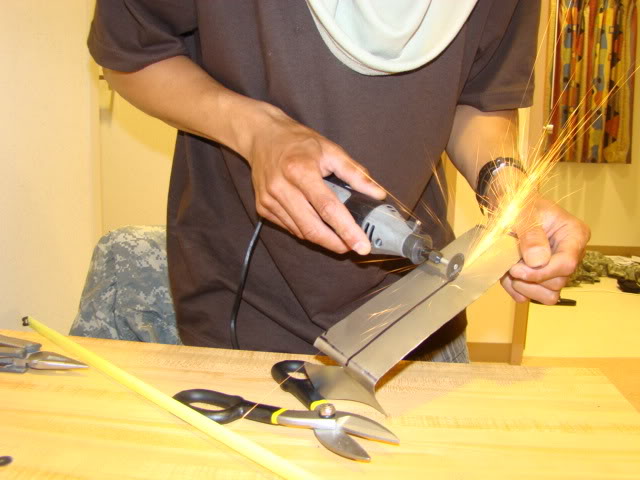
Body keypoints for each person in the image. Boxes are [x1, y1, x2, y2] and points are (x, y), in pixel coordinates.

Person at [88, 0, 590, 360]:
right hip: (243, 313)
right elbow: (131, 55)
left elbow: (480, 102)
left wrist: (508, 190)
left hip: (418, 316)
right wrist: (258, 131)